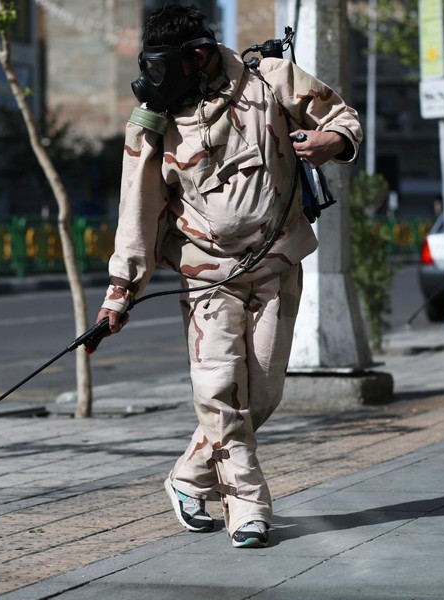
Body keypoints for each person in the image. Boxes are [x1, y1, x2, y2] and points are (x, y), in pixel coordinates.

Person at [93, 5, 361, 549]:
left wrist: (332, 142)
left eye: (166, 65)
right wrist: (120, 292)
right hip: (207, 274)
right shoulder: (153, 120)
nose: (155, 79)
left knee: (260, 394)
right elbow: (136, 212)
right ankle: (248, 508)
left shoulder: (271, 80)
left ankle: (188, 477)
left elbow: (343, 117)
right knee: (220, 393)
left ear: (197, 55)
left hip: (276, 262)